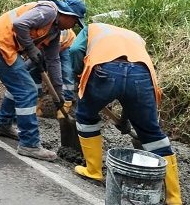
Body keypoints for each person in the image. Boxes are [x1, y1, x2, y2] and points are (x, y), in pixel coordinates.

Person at [67, 22, 182, 204]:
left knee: (85, 116)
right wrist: (125, 119)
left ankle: (93, 171)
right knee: (152, 134)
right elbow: (129, 84)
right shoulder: (134, 36)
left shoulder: (91, 28)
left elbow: (74, 51)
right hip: (141, 75)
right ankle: (174, 198)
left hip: (104, 71)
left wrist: (79, 74)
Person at [0, 0, 86, 161]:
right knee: (28, 90)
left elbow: (54, 61)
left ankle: (2, 124)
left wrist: (58, 94)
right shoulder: (49, 11)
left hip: (3, 46)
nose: (73, 26)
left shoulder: (55, 31)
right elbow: (20, 24)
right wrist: (31, 48)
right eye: (75, 21)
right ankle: (29, 144)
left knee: (19, 86)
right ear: (68, 14)